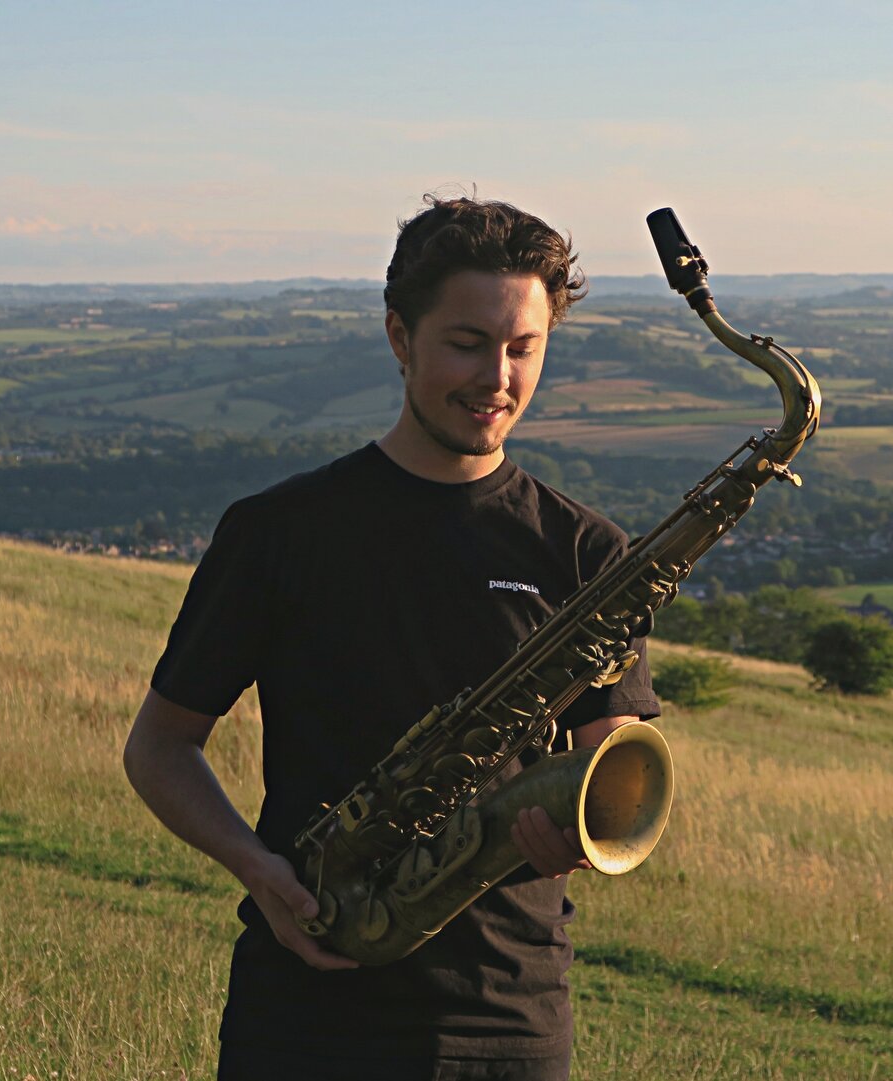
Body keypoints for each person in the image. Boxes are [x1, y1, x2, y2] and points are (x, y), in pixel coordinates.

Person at [124, 196, 659, 1081]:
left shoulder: (585, 551)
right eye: (465, 342)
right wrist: (257, 869)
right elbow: (160, 747)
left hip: (508, 1019)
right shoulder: (278, 531)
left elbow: (615, 762)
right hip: (306, 1009)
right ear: (399, 337)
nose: (497, 376)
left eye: (523, 348)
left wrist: (576, 824)